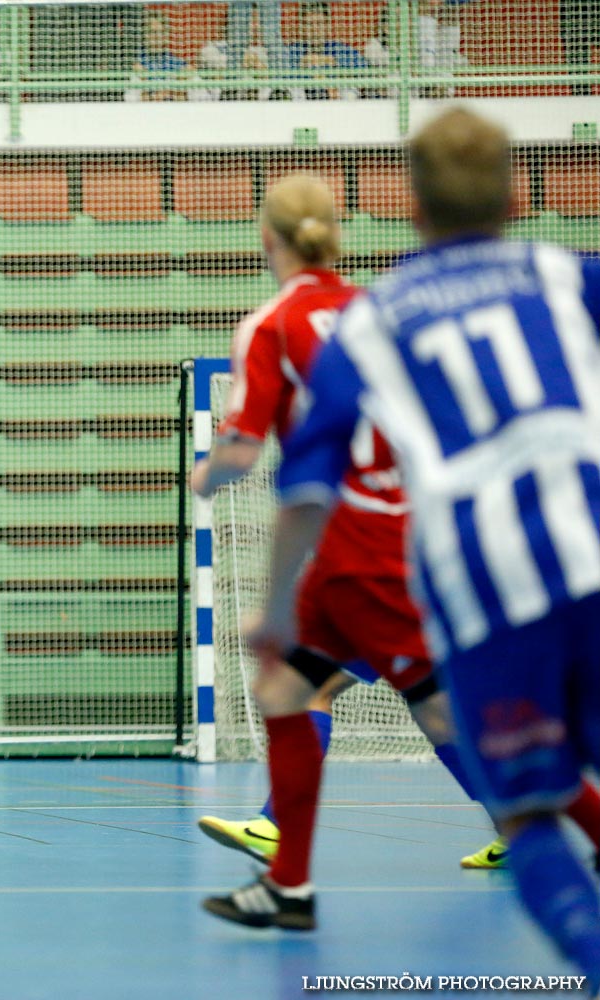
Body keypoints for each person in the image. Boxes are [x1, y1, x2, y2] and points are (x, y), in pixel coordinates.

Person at [229, 105, 600, 978]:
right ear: (517, 194)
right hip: (590, 549)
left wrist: (275, 608)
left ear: (410, 208)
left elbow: (309, 484)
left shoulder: (374, 319)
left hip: (488, 585)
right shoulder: (570, 275)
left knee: (529, 817)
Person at [287, 1, 369, 100]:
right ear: (302, 27)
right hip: (303, 102)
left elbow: (363, 70)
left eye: (319, 23)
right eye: (309, 24)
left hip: (336, 101)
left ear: (327, 25)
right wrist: (302, 62)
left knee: (349, 90)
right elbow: (278, 71)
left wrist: (332, 61)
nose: (315, 29)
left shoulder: (340, 49)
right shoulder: (292, 51)